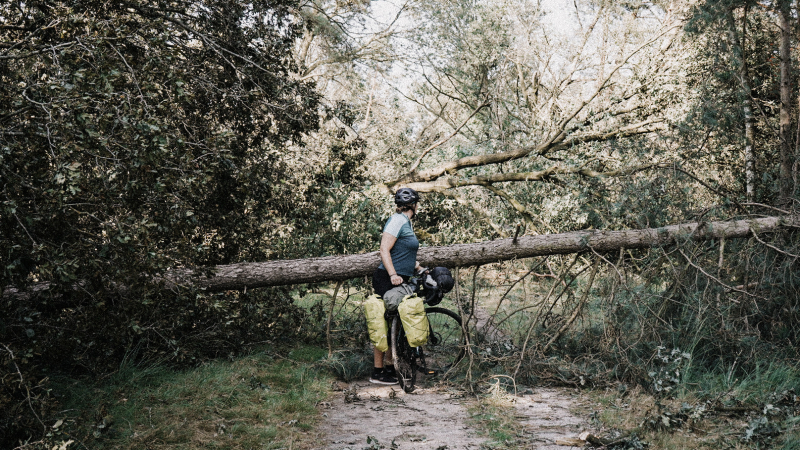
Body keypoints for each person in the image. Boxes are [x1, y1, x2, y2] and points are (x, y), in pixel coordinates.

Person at [370, 187, 421, 385]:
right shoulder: (398, 220)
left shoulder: (405, 222)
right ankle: (377, 371)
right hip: (388, 278)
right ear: (415, 205)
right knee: (383, 322)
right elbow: (384, 249)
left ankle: (391, 365)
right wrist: (393, 274)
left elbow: (404, 253)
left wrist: (420, 268)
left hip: (400, 278)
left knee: (396, 322)